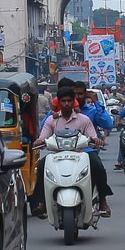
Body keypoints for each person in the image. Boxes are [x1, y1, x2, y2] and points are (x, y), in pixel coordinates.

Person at [37, 82, 111, 216]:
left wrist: (96, 140)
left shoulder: (84, 119)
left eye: (69, 101)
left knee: (98, 166)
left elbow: (92, 136)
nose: (66, 104)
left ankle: (103, 201)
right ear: (58, 102)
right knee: (41, 166)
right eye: (63, 101)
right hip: (56, 155)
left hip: (81, 154)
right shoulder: (51, 120)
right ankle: (42, 202)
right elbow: (43, 137)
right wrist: (37, 142)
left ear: (74, 102)